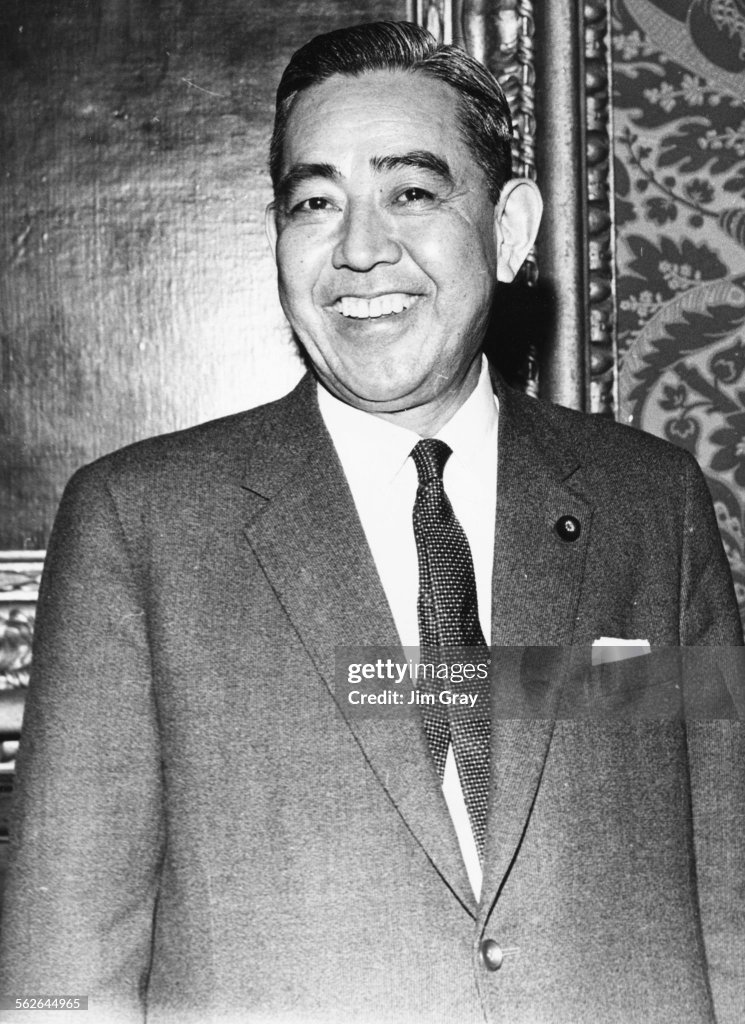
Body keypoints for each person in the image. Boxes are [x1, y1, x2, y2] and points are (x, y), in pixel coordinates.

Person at [0, 20, 743, 1024]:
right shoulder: (140, 525)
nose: (359, 249)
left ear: (510, 229)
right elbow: (60, 974)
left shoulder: (649, 502)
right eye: (315, 202)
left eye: (411, 193)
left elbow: (726, 895)